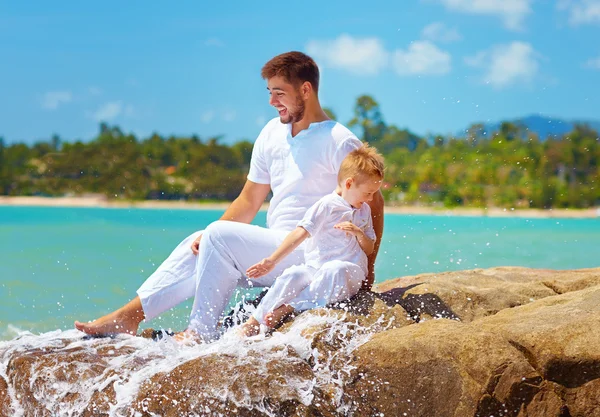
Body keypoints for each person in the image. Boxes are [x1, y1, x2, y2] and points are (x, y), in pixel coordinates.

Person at [74, 51, 384, 343]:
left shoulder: (338, 139)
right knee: (203, 237)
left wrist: (367, 267)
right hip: (275, 247)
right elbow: (249, 200)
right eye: (269, 92)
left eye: (279, 92)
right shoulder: (271, 133)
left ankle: (200, 332)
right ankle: (129, 317)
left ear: (305, 90)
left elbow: (373, 201)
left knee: (217, 235)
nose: (272, 101)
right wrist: (209, 236)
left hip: (314, 254)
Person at [240, 145, 384, 337]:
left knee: (336, 269)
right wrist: (272, 260)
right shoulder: (326, 205)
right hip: (317, 269)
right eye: (367, 193)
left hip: (349, 270)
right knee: (294, 274)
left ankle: (289, 308)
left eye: (373, 193)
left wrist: (359, 233)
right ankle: (254, 321)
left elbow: (369, 248)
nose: (370, 198)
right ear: (349, 184)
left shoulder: (364, 211)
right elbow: (300, 233)